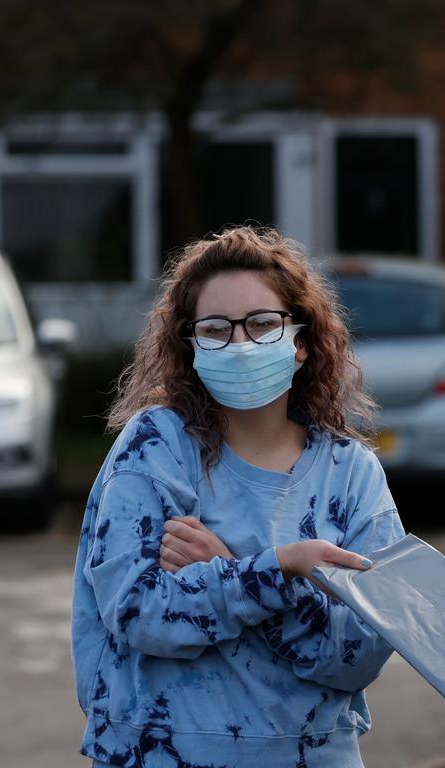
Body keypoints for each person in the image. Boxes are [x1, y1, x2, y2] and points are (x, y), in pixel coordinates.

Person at [71, 226, 405, 767]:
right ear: (191, 346)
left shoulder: (352, 474)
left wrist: (247, 571)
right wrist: (283, 572)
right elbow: (139, 612)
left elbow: (359, 653)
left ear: (300, 342)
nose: (241, 343)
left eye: (262, 323)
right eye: (216, 329)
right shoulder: (157, 448)